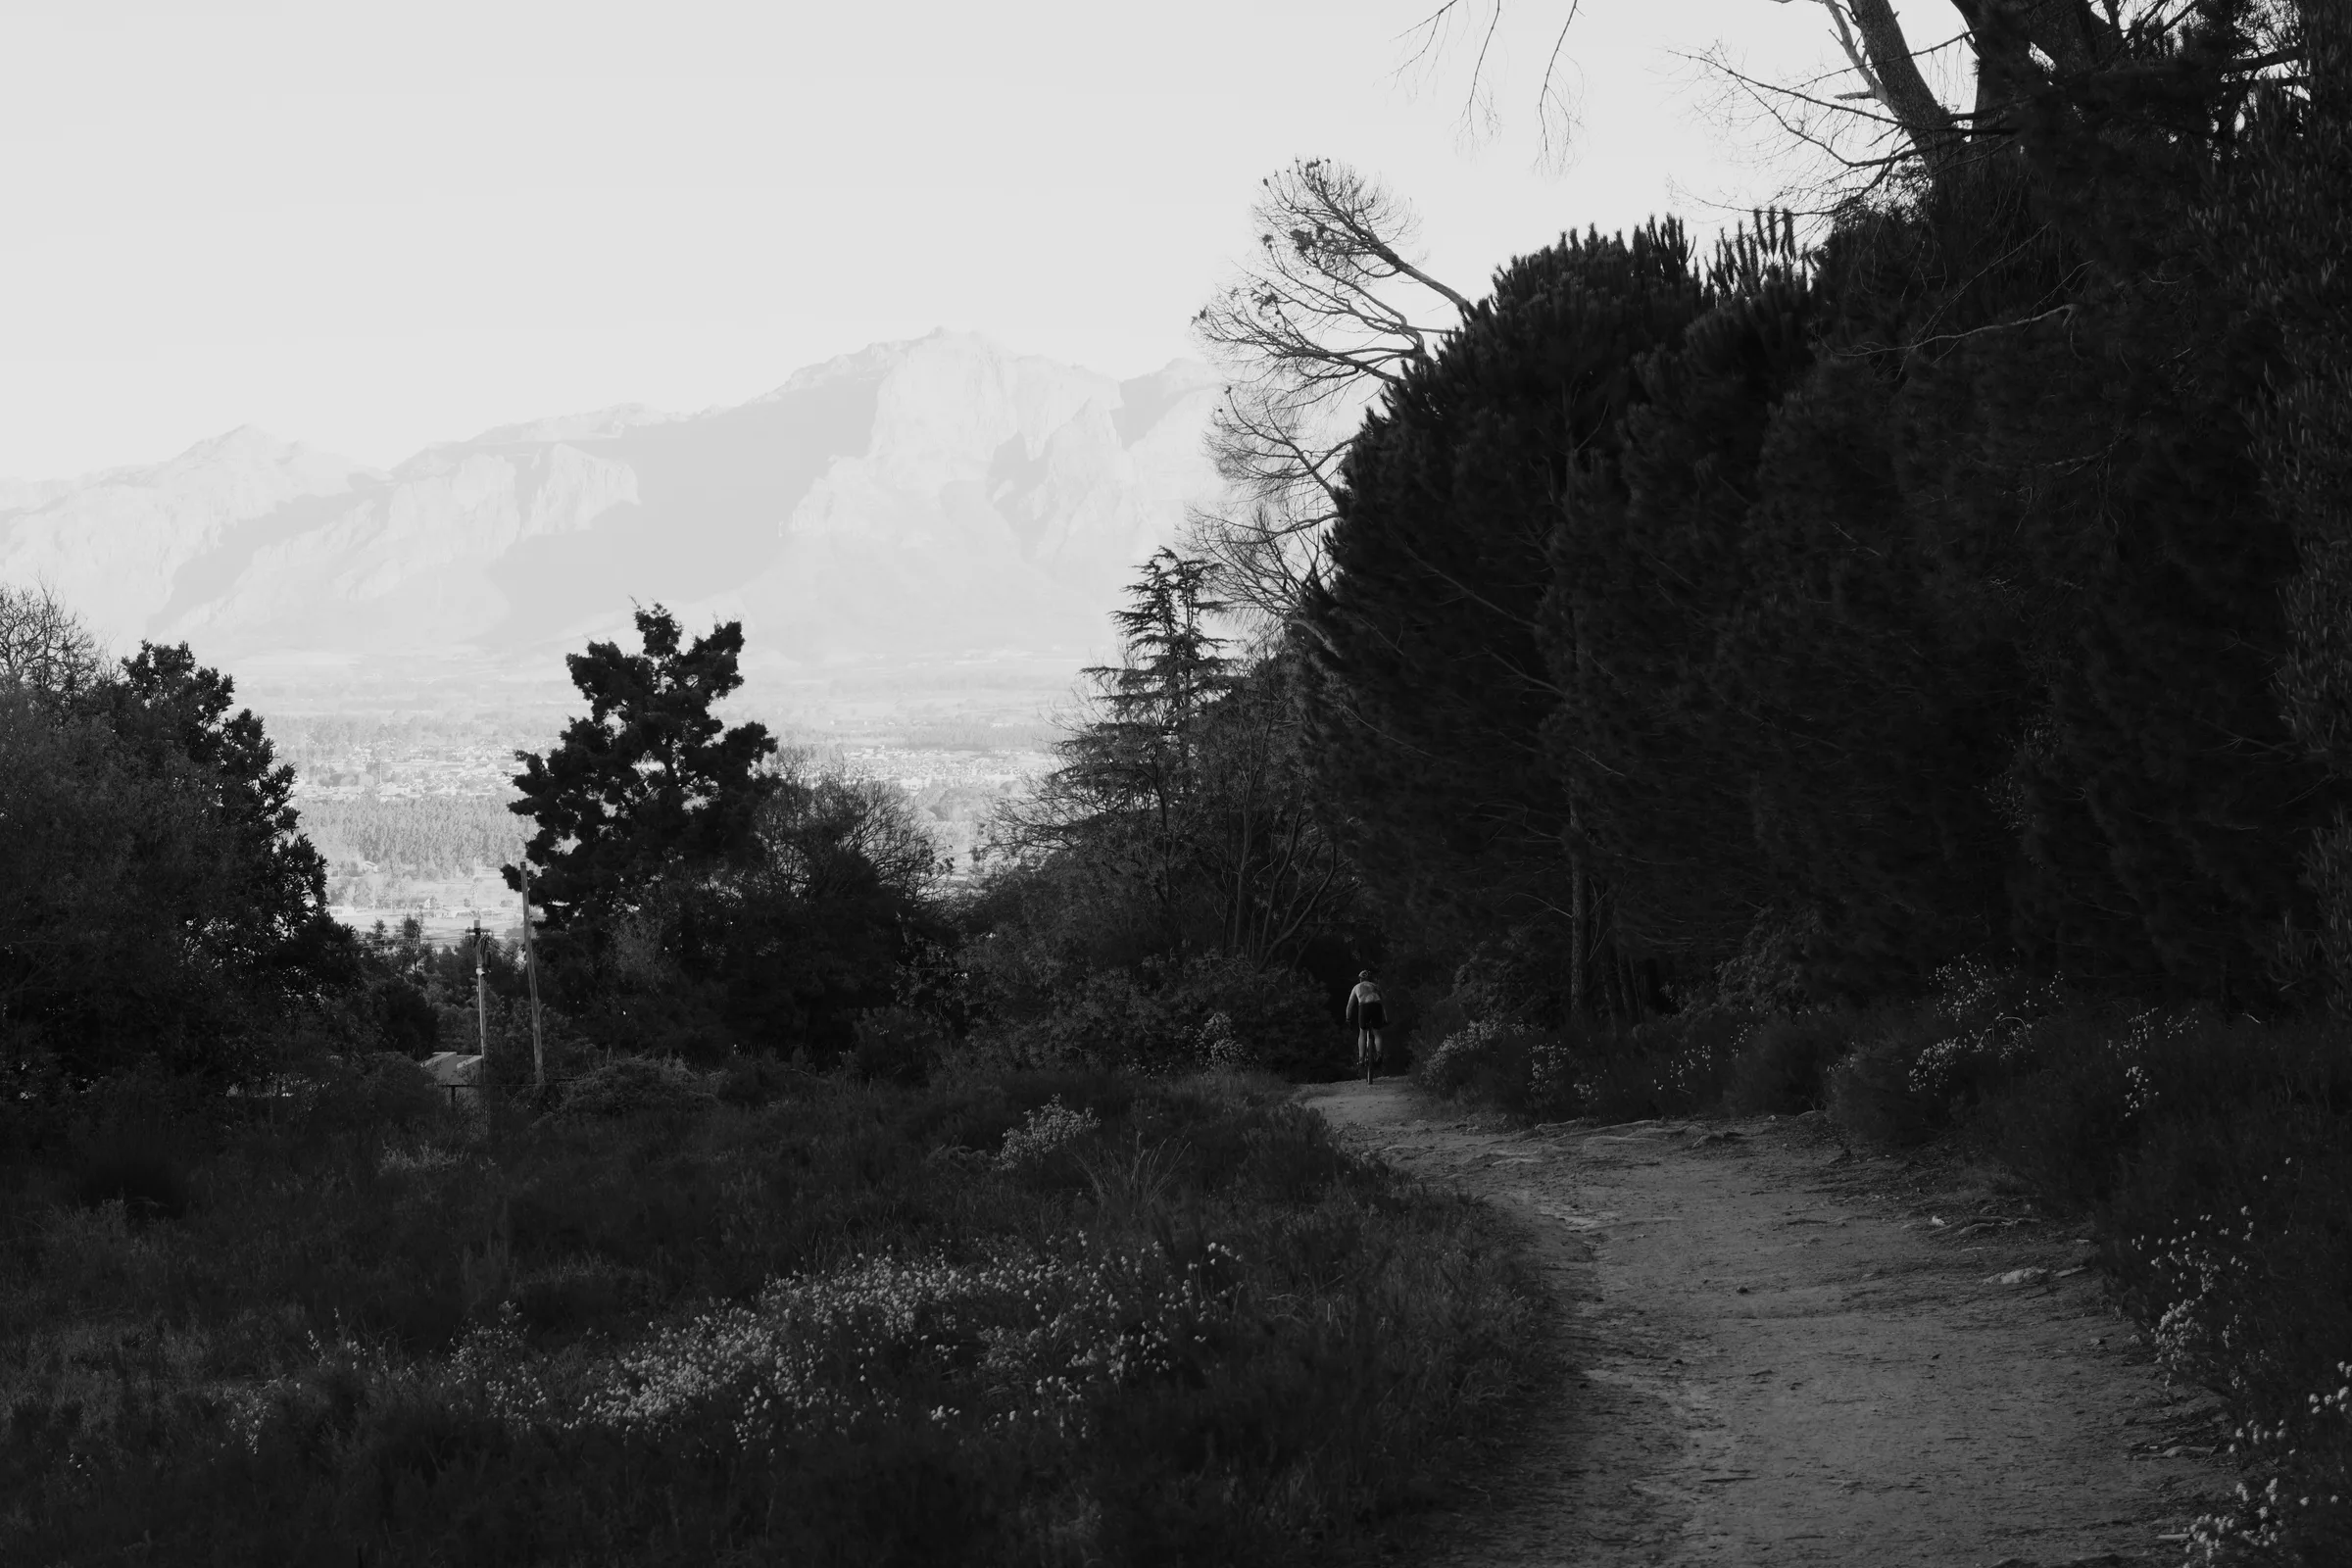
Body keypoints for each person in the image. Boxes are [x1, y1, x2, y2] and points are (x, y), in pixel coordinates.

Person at [1346, 970, 1386, 1084]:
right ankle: (1379, 1055)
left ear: (1360, 979)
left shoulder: (1356, 987)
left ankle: (1361, 1059)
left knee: (1362, 1032)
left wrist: (1348, 1019)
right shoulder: (1375, 986)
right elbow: (1383, 1004)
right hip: (1376, 1007)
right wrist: (1386, 1019)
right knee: (1377, 1032)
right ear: (1370, 979)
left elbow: (1350, 1005)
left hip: (1364, 1007)